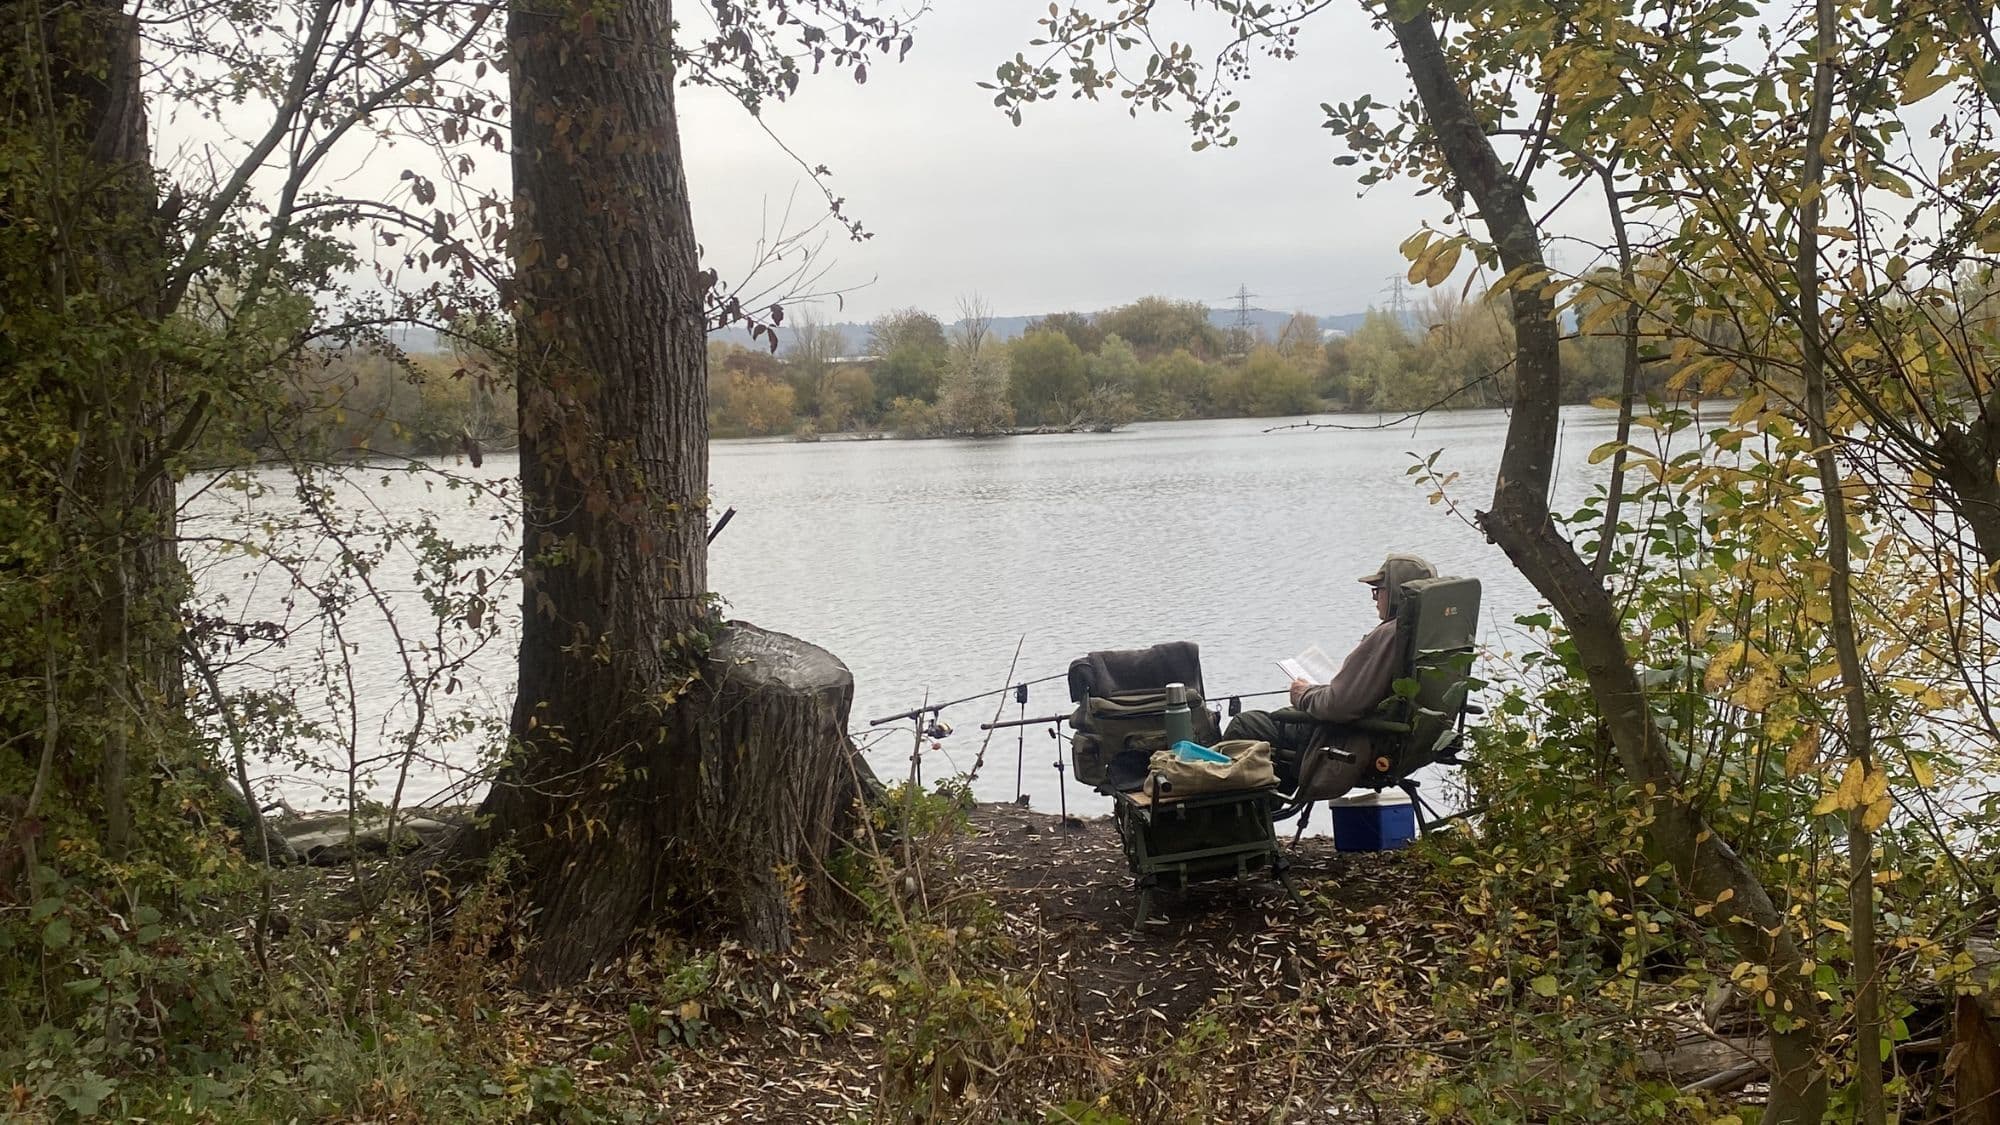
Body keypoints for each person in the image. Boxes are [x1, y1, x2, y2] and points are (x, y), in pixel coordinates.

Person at [1223, 552, 1436, 795]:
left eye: (1378, 590)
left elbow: (1341, 705)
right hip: (1405, 743)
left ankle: (1235, 818)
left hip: (1351, 739)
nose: (1375, 599)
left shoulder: (1390, 635)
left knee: (1246, 724)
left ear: (1397, 592)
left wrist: (1303, 695)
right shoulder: (1430, 634)